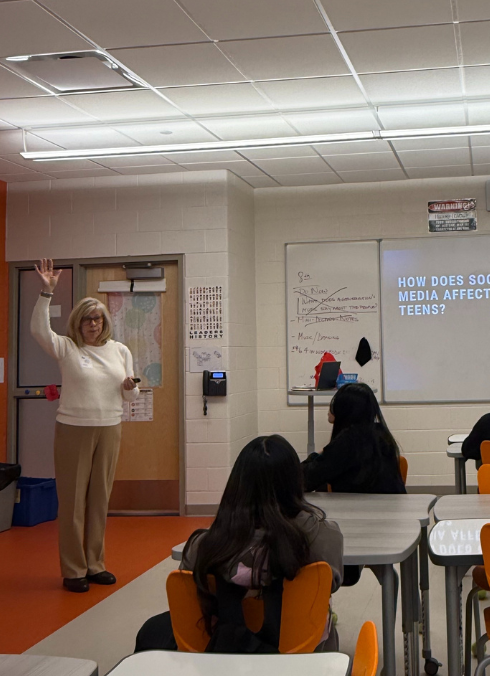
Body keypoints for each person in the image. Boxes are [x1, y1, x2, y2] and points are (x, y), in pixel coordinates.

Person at [135, 435, 344, 653]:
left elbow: (190, 598)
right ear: (294, 482)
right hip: (302, 656)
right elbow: (332, 583)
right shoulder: (324, 537)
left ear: (237, 483)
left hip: (218, 660)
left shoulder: (202, 547)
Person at [32, 259, 138, 593]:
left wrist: (129, 388)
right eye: (87, 319)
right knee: (73, 500)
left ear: (105, 322)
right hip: (73, 430)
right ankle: (74, 569)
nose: (93, 324)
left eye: (98, 318)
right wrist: (46, 293)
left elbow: (131, 395)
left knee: (99, 500)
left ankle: (95, 564)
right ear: (78, 323)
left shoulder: (120, 350)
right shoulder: (67, 347)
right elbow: (39, 330)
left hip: (109, 427)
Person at [302, 382, 405, 494]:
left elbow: (306, 479)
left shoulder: (349, 441)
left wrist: (316, 454)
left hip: (361, 509)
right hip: (388, 508)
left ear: (343, 409)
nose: (330, 409)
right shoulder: (380, 434)